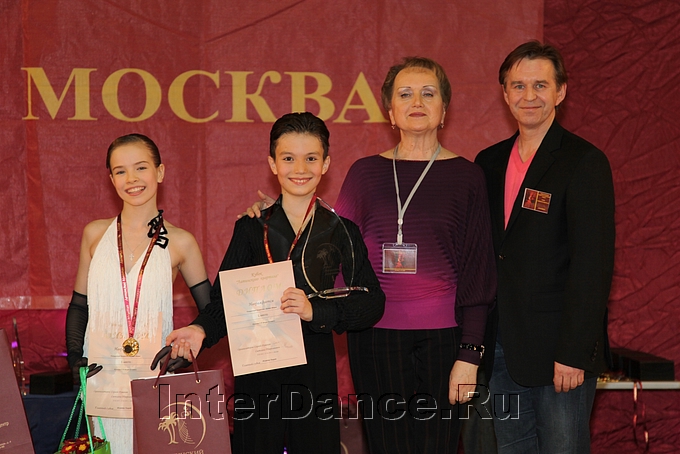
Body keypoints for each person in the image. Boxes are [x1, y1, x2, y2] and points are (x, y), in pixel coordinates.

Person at [245, 58, 497, 453]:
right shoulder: (365, 173)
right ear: (390, 112)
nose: (417, 102)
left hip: (445, 341)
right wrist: (275, 217)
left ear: (444, 109)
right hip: (374, 337)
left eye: (428, 93)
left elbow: (479, 272)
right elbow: (328, 248)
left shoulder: (468, 177)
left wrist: (470, 353)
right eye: (405, 94)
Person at [163, 112, 386, 454]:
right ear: (272, 164)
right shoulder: (252, 227)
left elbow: (371, 302)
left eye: (311, 158)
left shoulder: (342, 230)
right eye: (288, 158)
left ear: (326, 164)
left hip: (315, 367)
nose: (300, 168)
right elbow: (224, 301)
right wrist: (199, 330)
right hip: (258, 367)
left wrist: (317, 311)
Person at [474, 41, 615, 453]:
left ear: (561, 91)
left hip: (559, 354)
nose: (529, 96)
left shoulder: (583, 161)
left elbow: (592, 266)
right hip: (501, 348)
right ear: (504, 94)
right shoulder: (487, 162)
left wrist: (574, 352)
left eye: (540, 85)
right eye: (518, 86)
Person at [65, 133, 210, 453]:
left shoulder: (181, 242)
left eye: (141, 167)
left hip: (154, 380)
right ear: (111, 179)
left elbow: (212, 313)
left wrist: (184, 352)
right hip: (102, 382)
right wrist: (75, 357)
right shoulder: (94, 234)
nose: (131, 178)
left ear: (160, 171)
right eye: (120, 171)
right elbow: (79, 305)